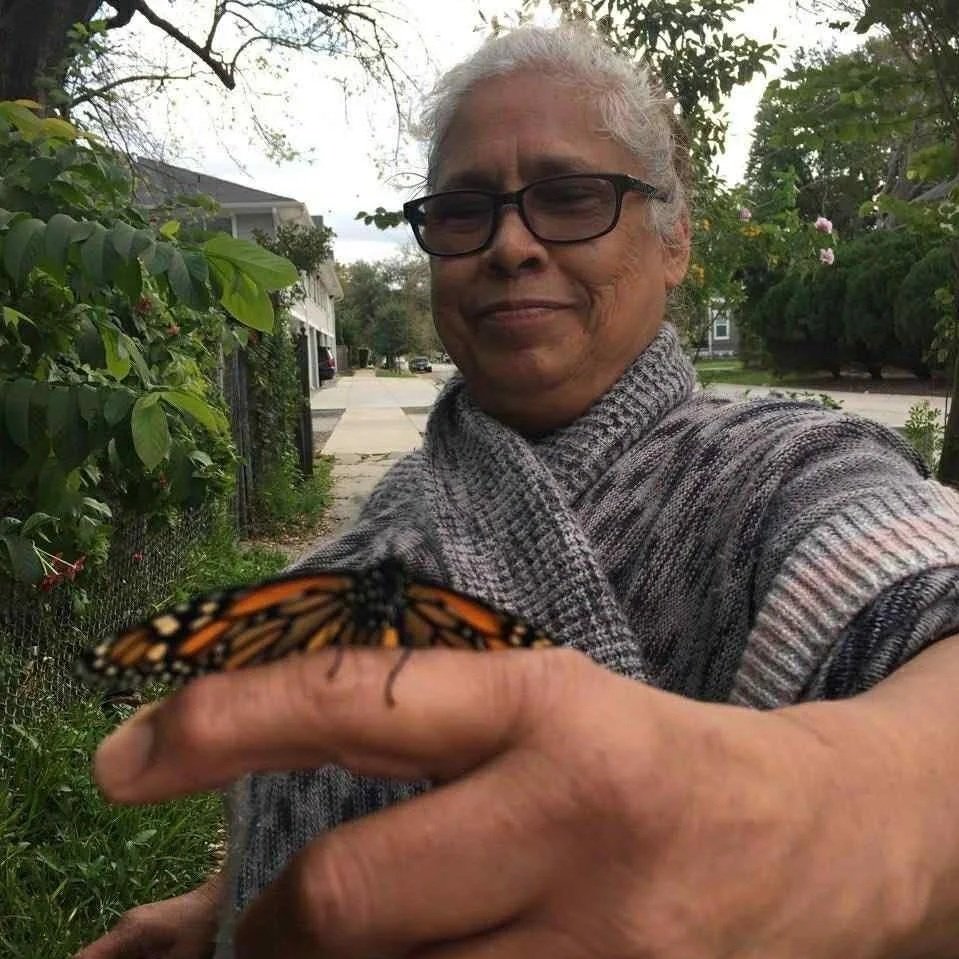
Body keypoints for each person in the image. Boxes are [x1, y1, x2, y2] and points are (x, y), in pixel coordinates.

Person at [78, 23, 959, 959]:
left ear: (674, 241)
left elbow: (911, 600)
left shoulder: (781, 466)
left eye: (569, 196)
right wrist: (238, 892)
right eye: (463, 211)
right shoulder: (400, 512)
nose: (508, 244)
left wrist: (822, 820)